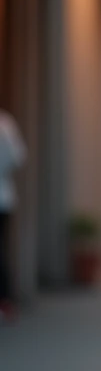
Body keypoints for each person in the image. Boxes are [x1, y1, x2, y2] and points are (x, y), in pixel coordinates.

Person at [0, 109, 26, 323]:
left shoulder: (5, 123)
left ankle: (5, 300)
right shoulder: (5, 124)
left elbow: (18, 157)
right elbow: (18, 157)